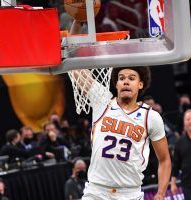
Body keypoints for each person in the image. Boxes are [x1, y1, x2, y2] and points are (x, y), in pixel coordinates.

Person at [70, 20, 171, 200]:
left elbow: (164, 159)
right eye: (122, 77)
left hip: (129, 193)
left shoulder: (151, 117)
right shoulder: (102, 101)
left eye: (131, 78)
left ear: (140, 84)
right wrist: (77, 21)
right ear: (115, 83)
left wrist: (161, 193)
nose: (125, 81)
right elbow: (73, 63)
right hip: (96, 191)